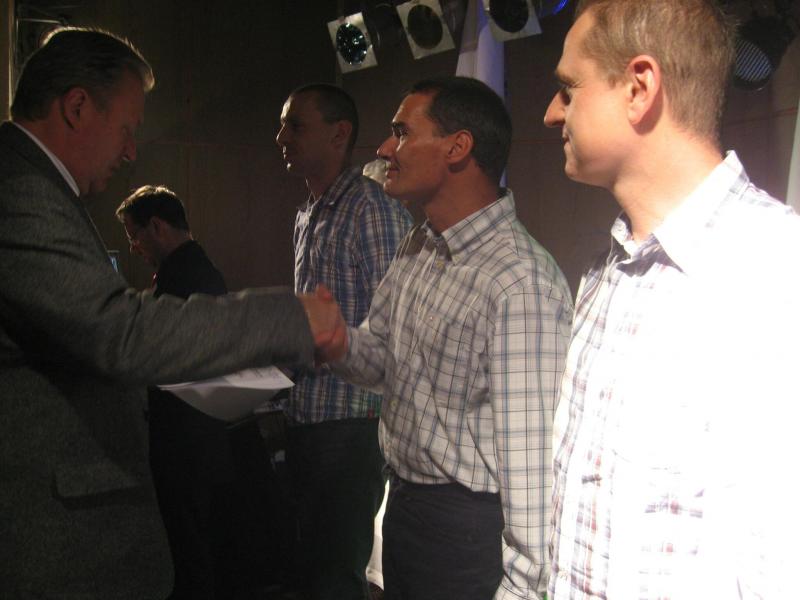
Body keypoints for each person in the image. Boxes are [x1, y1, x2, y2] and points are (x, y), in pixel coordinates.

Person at [0, 27, 334, 599]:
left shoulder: (32, 185)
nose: (131, 150)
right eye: (126, 129)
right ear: (77, 107)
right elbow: (121, 331)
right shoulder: (20, 190)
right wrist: (292, 318)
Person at [544, 1, 800, 598]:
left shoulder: (777, 271)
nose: (551, 112)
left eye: (568, 88)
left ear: (639, 88)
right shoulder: (604, 274)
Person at [311, 76, 573, 600]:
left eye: (402, 132)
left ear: (458, 147)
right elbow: (384, 363)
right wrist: (338, 342)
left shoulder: (519, 283)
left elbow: (532, 468)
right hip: (408, 507)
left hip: (467, 534)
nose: (385, 149)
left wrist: (522, 589)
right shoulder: (419, 244)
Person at [275, 83, 412, 599]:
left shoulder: (371, 209)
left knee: (336, 577)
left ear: (339, 135)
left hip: (353, 426)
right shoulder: (308, 211)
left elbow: (397, 327)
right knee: (312, 572)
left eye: (295, 125)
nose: (281, 137)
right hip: (307, 416)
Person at [116, 185, 282, 599]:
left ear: (157, 226)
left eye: (134, 235)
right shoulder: (193, 268)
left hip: (188, 444)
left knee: (193, 557)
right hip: (198, 442)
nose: (133, 247)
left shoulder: (184, 277)